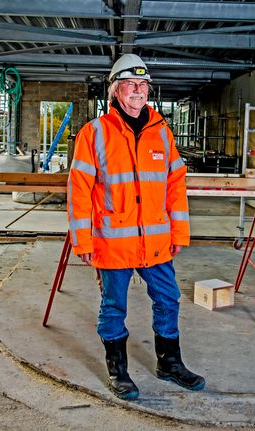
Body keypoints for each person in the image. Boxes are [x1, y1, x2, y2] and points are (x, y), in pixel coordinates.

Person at [67, 54, 205, 400]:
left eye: (143, 85)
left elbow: (175, 184)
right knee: (114, 307)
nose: (138, 91)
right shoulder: (94, 133)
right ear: (115, 90)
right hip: (113, 242)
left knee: (169, 299)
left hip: (156, 241)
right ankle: (119, 371)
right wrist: (82, 240)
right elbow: (79, 189)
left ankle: (169, 364)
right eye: (131, 84)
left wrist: (179, 233)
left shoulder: (161, 132)